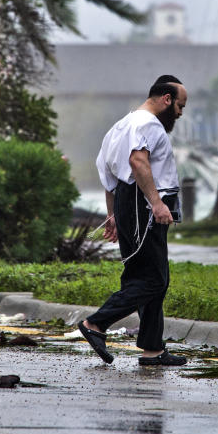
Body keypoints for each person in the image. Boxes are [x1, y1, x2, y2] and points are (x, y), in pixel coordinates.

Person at [78, 75, 188, 366]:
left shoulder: (122, 125)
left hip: (130, 204)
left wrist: (112, 213)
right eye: (179, 106)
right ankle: (96, 324)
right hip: (144, 206)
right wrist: (156, 203)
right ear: (166, 99)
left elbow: (108, 173)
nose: (179, 112)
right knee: (153, 279)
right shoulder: (147, 124)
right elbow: (137, 163)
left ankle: (152, 349)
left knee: (146, 276)